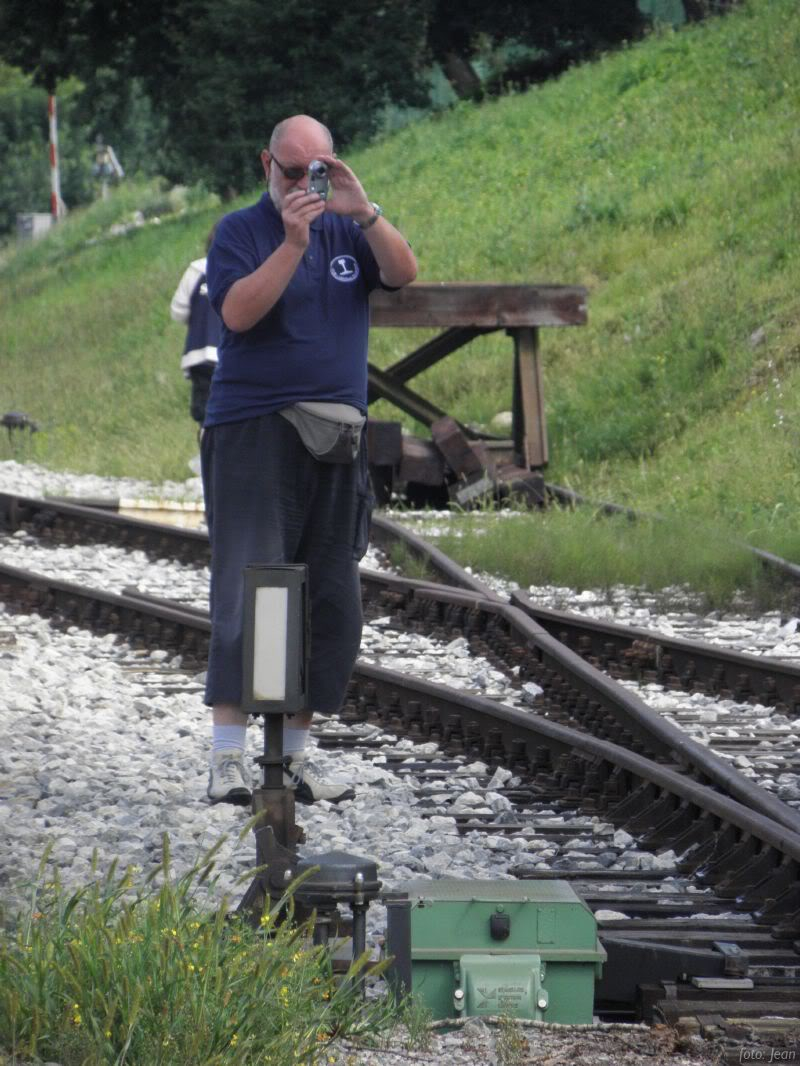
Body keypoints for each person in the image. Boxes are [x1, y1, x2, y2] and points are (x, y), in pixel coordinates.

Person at [202, 114, 417, 805]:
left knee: (333, 599)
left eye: (318, 170)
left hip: (337, 436)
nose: (304, 183)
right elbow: (237, 314)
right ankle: (228, 755)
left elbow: (404, 273)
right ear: (267, 163)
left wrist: (368, 212)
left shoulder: (350, 225)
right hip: (254, 430)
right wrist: (292, 243)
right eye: (293, 171)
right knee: (251, 587)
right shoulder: (240, 231)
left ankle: (296, 755)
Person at [170, 226, 221, 427]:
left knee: (205, 411)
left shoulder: (197, 269)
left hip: (198, 356)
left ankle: (207, 450)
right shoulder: (243, 268)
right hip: (231, 357)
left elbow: (178, 311)